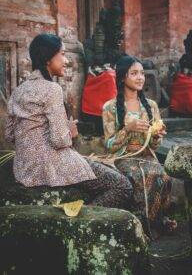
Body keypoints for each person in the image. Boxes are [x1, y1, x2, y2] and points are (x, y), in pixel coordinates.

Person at [5, 33, 133, 210]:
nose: (66, 60)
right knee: (122, 186)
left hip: (24, 169)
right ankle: (80, 221)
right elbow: (60, 140)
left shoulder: (18, 91)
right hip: (50, 167)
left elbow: (10, 135)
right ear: (48, 58)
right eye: (62, 54)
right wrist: (70, 131)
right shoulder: (52, 89)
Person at [102, 55, 177, 234]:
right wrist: (127, 129)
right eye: (134, 73)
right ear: (122, 78)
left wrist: (157, 136)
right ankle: (138, 226)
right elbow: (109, 145)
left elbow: (155, 146)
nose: (140, 77)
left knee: (163, 176)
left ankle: (155, 221)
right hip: (122, 157)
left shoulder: (151, 106)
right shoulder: (110, 107)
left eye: (142, 73)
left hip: (146, 156)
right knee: (137, 177)